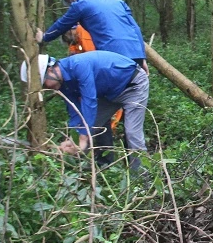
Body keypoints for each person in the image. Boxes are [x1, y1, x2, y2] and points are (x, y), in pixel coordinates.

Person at [20, 52, 149, 171]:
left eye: (45, 84)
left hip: (133, 86)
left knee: (132, 133)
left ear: (50, 70)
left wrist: (83, 135)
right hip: (109, 94)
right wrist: (75, 137)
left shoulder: (78, 65)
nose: (48, 87)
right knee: (90, 128)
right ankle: (87, 169)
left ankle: (142, 180)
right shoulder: (64, 83)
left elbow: (89, 99)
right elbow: (74, 110)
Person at [35, 0, 147, 71]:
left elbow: (61, 26)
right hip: (135, 53)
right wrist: (142, 58)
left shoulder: (79, 4)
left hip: (113, 56)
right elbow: (135, 28)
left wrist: (44, 37)